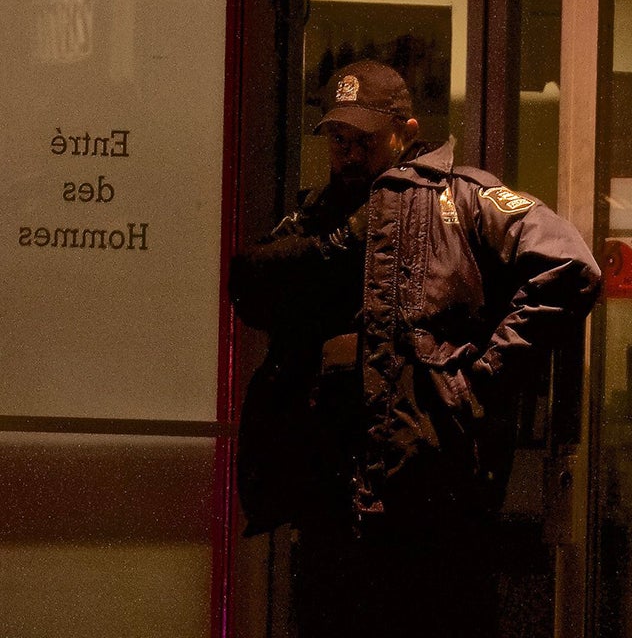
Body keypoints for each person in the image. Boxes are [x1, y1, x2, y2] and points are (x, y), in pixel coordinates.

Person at [230, 59, 602, 638]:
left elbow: (570, 267)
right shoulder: (319, 214)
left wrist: (476, 380)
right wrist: (331, 244)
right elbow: (251, 289)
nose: (349, 153)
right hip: (332, 505)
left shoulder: (462, 200)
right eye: (338, 139)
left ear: (406, 130)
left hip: (432, 504)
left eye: (365, 139)